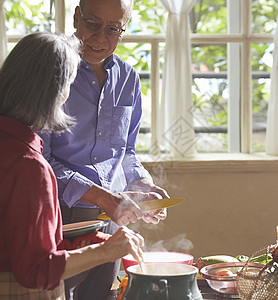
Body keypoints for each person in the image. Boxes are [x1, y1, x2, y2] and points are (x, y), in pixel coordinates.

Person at [0, 32, 145, 299]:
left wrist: (95, 243)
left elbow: (18, 241)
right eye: (69, 84)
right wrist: (106, 252)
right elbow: (38, 270)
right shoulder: (29, 167)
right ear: (53, 91)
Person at [38, 0, 170, 299]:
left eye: (112, 29)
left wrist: (141, 183)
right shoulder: (49, 75)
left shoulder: (128, 79)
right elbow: (39, 162)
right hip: (59, 215)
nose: (100, 37)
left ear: (124, 30)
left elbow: (126, 152)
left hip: (110, 216)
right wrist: (102, 196)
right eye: (93, 24)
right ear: (76, 17)